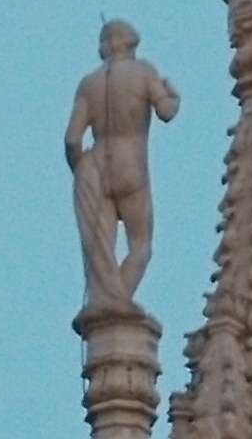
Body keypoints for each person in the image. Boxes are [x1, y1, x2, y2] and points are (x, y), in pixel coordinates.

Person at [65, 22, 180, 313]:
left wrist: (79, 169)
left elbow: (72, 140)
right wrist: (172, 94)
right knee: (140, 247)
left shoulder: (88, 83)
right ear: (131, 43)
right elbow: (166, 112)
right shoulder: (143, 72)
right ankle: (118, 303)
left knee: (100, 251)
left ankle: (107, 303)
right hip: (131, 168)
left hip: (95, 169)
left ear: (106, 46)